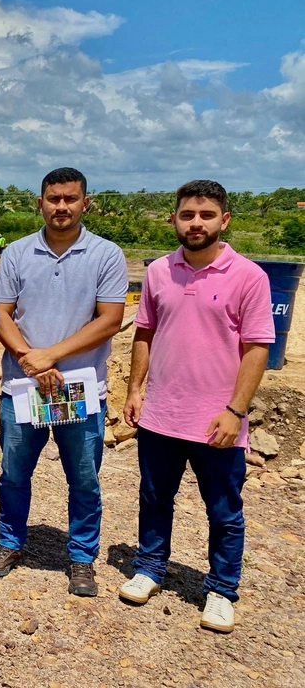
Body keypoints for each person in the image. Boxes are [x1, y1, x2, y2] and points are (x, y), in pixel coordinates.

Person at [122, 180, 274, 633]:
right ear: (175, 219)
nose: (196, 223)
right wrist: (134, 390)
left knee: (224, 509)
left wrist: (236, 410)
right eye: (187, 214)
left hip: (218, 421)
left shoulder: (249, 276)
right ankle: (149, 567)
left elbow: (257, 348)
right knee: (154, 497)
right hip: (162, 414)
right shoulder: (158, 272)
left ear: (224, 220)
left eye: (206, 215)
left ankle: (222, 590)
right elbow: (144, 333)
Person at [0, 167, 127, 597]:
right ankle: (10, 542)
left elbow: (111, 320)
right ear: (40, 203)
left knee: (83, 477)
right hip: (23, 389)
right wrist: (31, 360)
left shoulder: (106, 255)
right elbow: (0, 314)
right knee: (13, 473)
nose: (61, 206)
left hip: (78, 389)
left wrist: (51, 356)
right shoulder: (17, 254)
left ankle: (82, 558)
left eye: (70, 198)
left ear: (86, 202)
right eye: (53, 198)